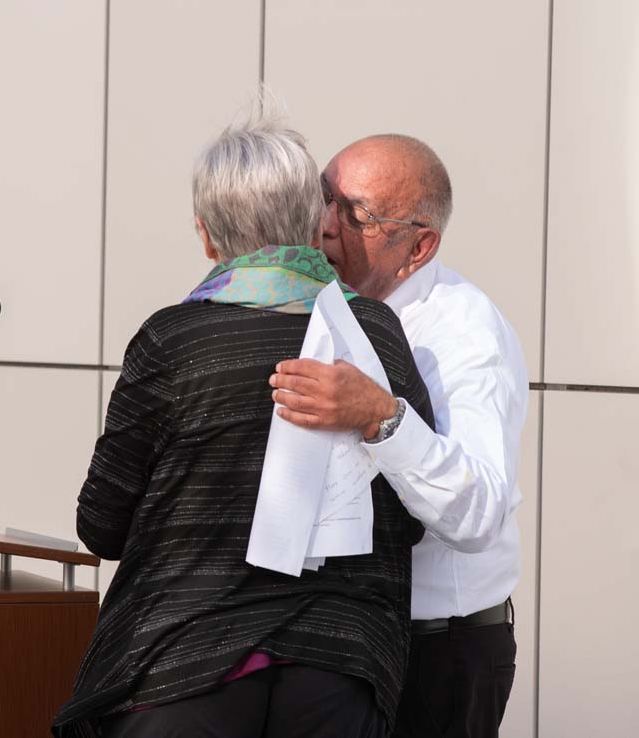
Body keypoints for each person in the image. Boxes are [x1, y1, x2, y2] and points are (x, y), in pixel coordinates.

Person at [53, 114, 434, 738]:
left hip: (182, 662)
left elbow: (102, 526)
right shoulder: (374, 333)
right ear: (316, 222)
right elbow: (413, 515)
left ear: (207, 236)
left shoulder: (173, 341)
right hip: (338, 665)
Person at [268, 134, 528, 738]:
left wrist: (381, 417)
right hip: (337, 642)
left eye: (355, 215)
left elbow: (478, 513)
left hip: (435, 653)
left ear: (419, 246)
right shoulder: (317, 303)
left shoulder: (464, 333)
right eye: (323, 199)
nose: (325, 226)